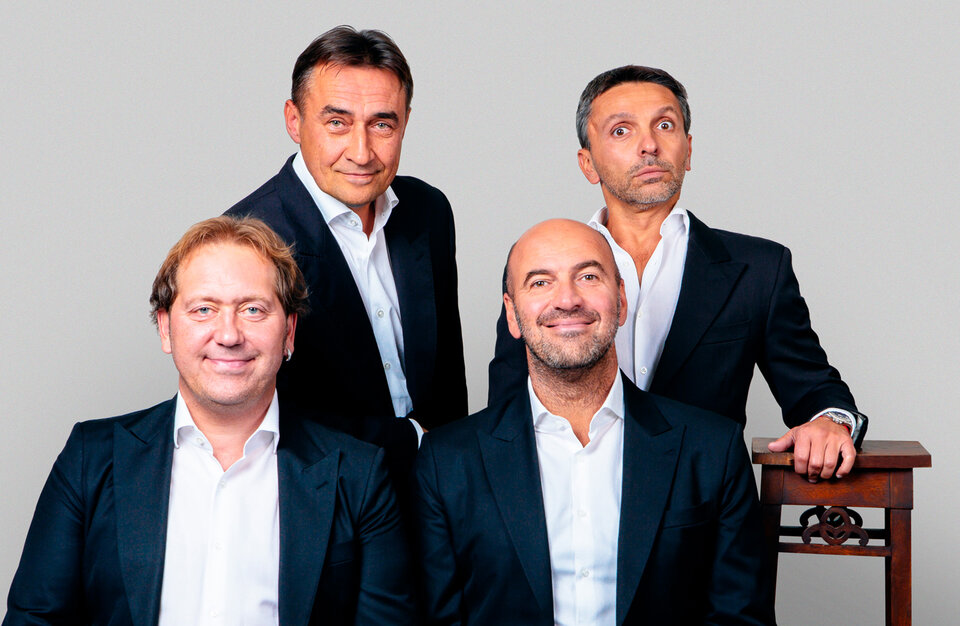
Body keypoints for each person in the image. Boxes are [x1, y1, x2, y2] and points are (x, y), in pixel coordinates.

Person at [4, 216, 414, 626]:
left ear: (289, 331)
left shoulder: (358, 475)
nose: (229, 335)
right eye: (204, 309)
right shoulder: (90, 459)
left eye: (253, 309)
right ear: (165, 328)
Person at [489, 65, 867, 482]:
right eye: (621, 131)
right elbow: (506, 409)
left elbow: (815, 389)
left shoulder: (758, 269)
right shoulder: (535, 267)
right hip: (565, 497)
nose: (649, 145)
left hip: (703, 505)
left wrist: (831, 422)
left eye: (665, 125)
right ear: (588, 163)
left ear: (687, 150)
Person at [415, 219, 775, 625]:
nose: (567, 299)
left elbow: (742, 618)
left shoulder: (712, 450)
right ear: (512, 314)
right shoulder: (446, 462)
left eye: (588, 276)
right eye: (540, 282)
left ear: (620, 299)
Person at [226, 26, 467, 471]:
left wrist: (458, 470)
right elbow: (255, 414)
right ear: (294, 121)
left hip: (438, 486)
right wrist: (413, 442)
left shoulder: (427, 211)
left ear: (405, 122)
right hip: (324, 491)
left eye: (382, 124)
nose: (361, 152)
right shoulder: (244, 241)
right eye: (337, 123)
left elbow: (448, 378)